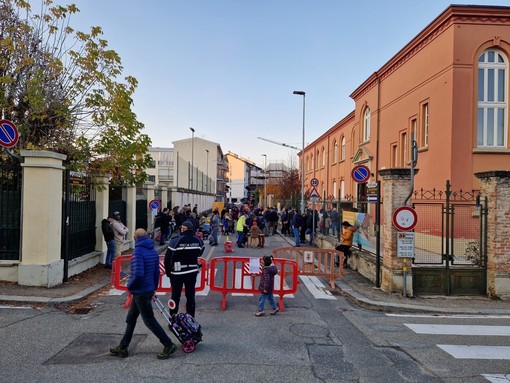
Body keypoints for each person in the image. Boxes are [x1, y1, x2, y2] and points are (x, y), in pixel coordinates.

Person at [110, 228, 177, 359]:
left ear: (135, 237)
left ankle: (168, 344)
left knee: (149, 321)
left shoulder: (138, 252)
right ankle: (123, 347)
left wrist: (130, 286)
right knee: (131, 319)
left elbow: (138, 274)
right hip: (146, 289)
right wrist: (153, 287)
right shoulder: (152, 250)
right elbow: (157, 272)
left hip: (141, 291)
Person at [164, 221, 205, 317]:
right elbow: (200, 252)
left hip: (177, 273)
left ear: (183, 228)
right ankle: (191, 318)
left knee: (175, 296)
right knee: (190, 295)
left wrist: (168, 272)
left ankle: (173, 318)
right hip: (192, 271)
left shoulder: (175, 241)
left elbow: (167, 259)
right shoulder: (198, 240)